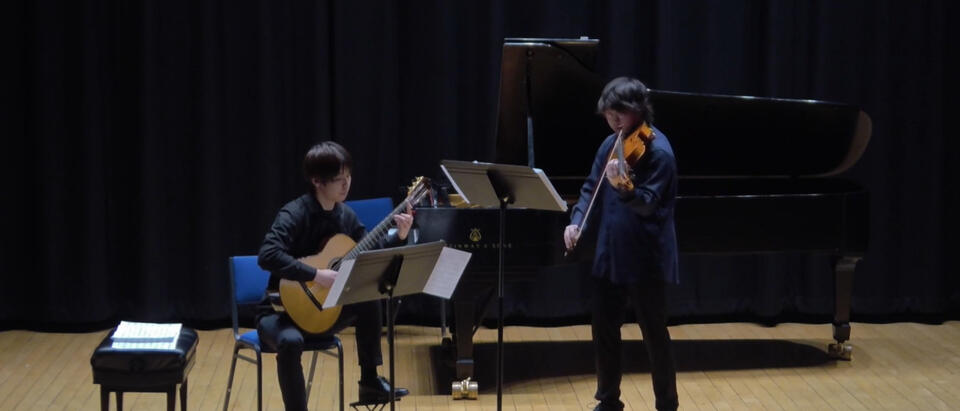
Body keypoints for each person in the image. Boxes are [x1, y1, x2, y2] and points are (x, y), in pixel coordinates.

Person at [258, 141, 412, 411]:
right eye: (339, 179)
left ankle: (369, 382)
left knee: (368, 296)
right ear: (317, 180)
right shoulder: (294, 214)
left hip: (325, 312)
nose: (346, 184)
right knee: (291, 343)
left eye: (348, 177)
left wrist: (399, 237)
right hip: (280, 313)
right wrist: (316, 274)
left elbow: (372, 253)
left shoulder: (346, 216)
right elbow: (267, 255)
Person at [563, 77, 680, 411]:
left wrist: (625, 188)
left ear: (638, 111)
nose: (613, 120)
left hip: (646, 256)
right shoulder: (610, 145)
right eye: (609, 113)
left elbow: (647, 204)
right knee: (604, 330)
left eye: (620, 113)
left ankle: (667, 405)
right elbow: (590, 188)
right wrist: (576, 221)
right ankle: (609, 401)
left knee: (654, 334)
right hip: (611, 252)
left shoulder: (659, 153)